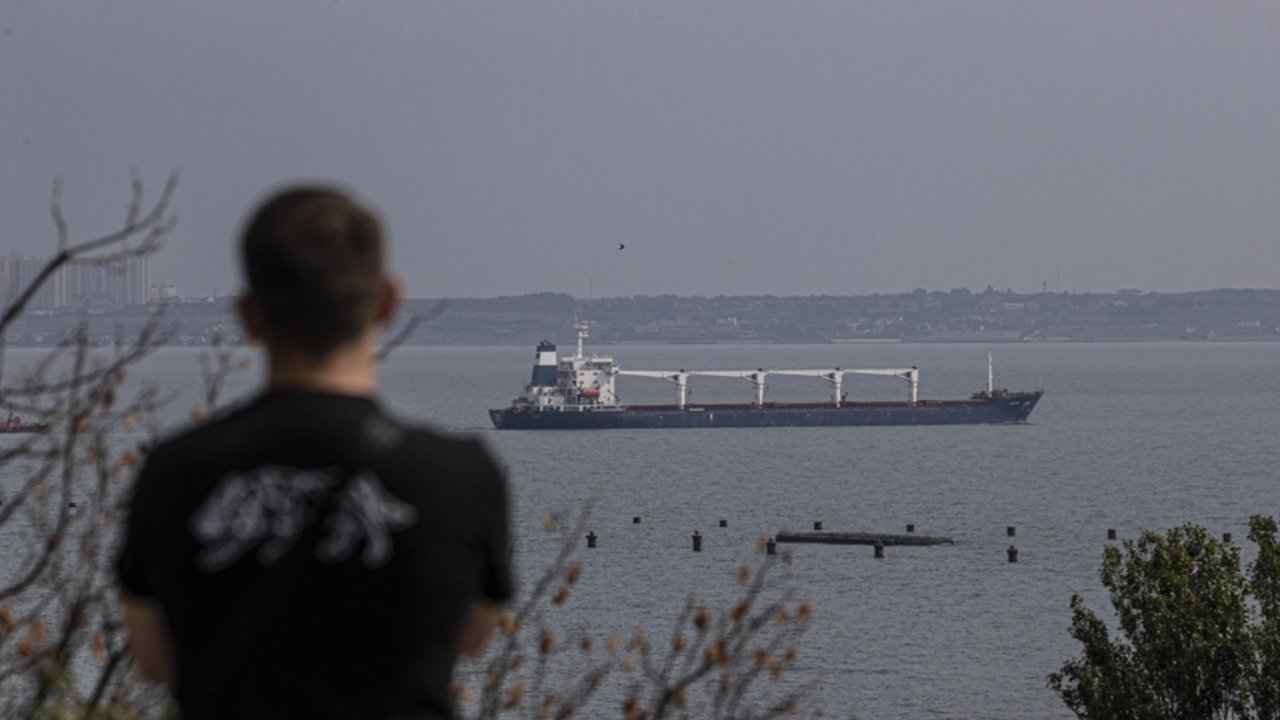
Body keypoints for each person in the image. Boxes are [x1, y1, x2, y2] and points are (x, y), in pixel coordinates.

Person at [116, 187, 512, 720]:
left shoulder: (174, 472)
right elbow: (468, 636)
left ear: (247, 315)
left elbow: (154, 660)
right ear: (389, 301)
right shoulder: (460, 476)